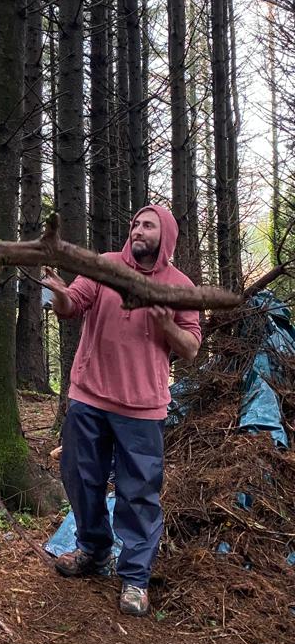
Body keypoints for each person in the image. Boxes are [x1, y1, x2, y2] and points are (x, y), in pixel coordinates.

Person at [43, 205, 201, 617]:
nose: (137, 230)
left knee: (138, 494)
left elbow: (191, 347)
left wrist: (166, 325)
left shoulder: (180, 286)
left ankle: (135, 577)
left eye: (148, 225)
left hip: (143, 409)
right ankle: (93, 550)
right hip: (89, 397)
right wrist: (60, 293)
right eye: (135, 224)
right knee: (81, 479)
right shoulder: (105, 266)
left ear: (165, 236)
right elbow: (72, 306)